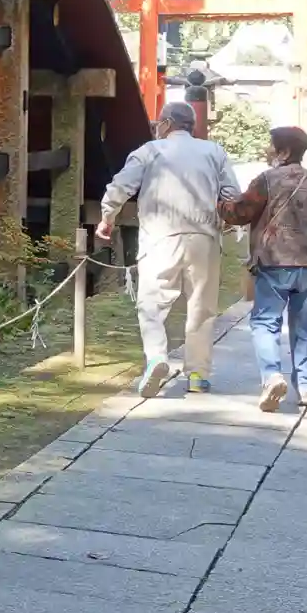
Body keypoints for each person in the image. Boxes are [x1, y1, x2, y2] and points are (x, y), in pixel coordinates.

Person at [96, 101, 241, 397]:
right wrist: (224, 220)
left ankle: (156, 358)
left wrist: (107, 217)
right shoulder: (214, 152)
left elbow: (120, 187)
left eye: (159, 122)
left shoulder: (149, 151)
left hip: (160, 237)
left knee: (151, 304)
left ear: (167, 123)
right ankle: (198, 374)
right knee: (201, 307)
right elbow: (231, 194)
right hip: (203, 238)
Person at [219, 125, 307, 411]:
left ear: (283, 151)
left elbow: (240, 212)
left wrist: (217, 202)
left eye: (271, 145)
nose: (267, 149)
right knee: (305, 329)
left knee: (265, 322)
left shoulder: (267, 180)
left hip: (276, 261)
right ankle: (306, 387)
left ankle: (272, 376)